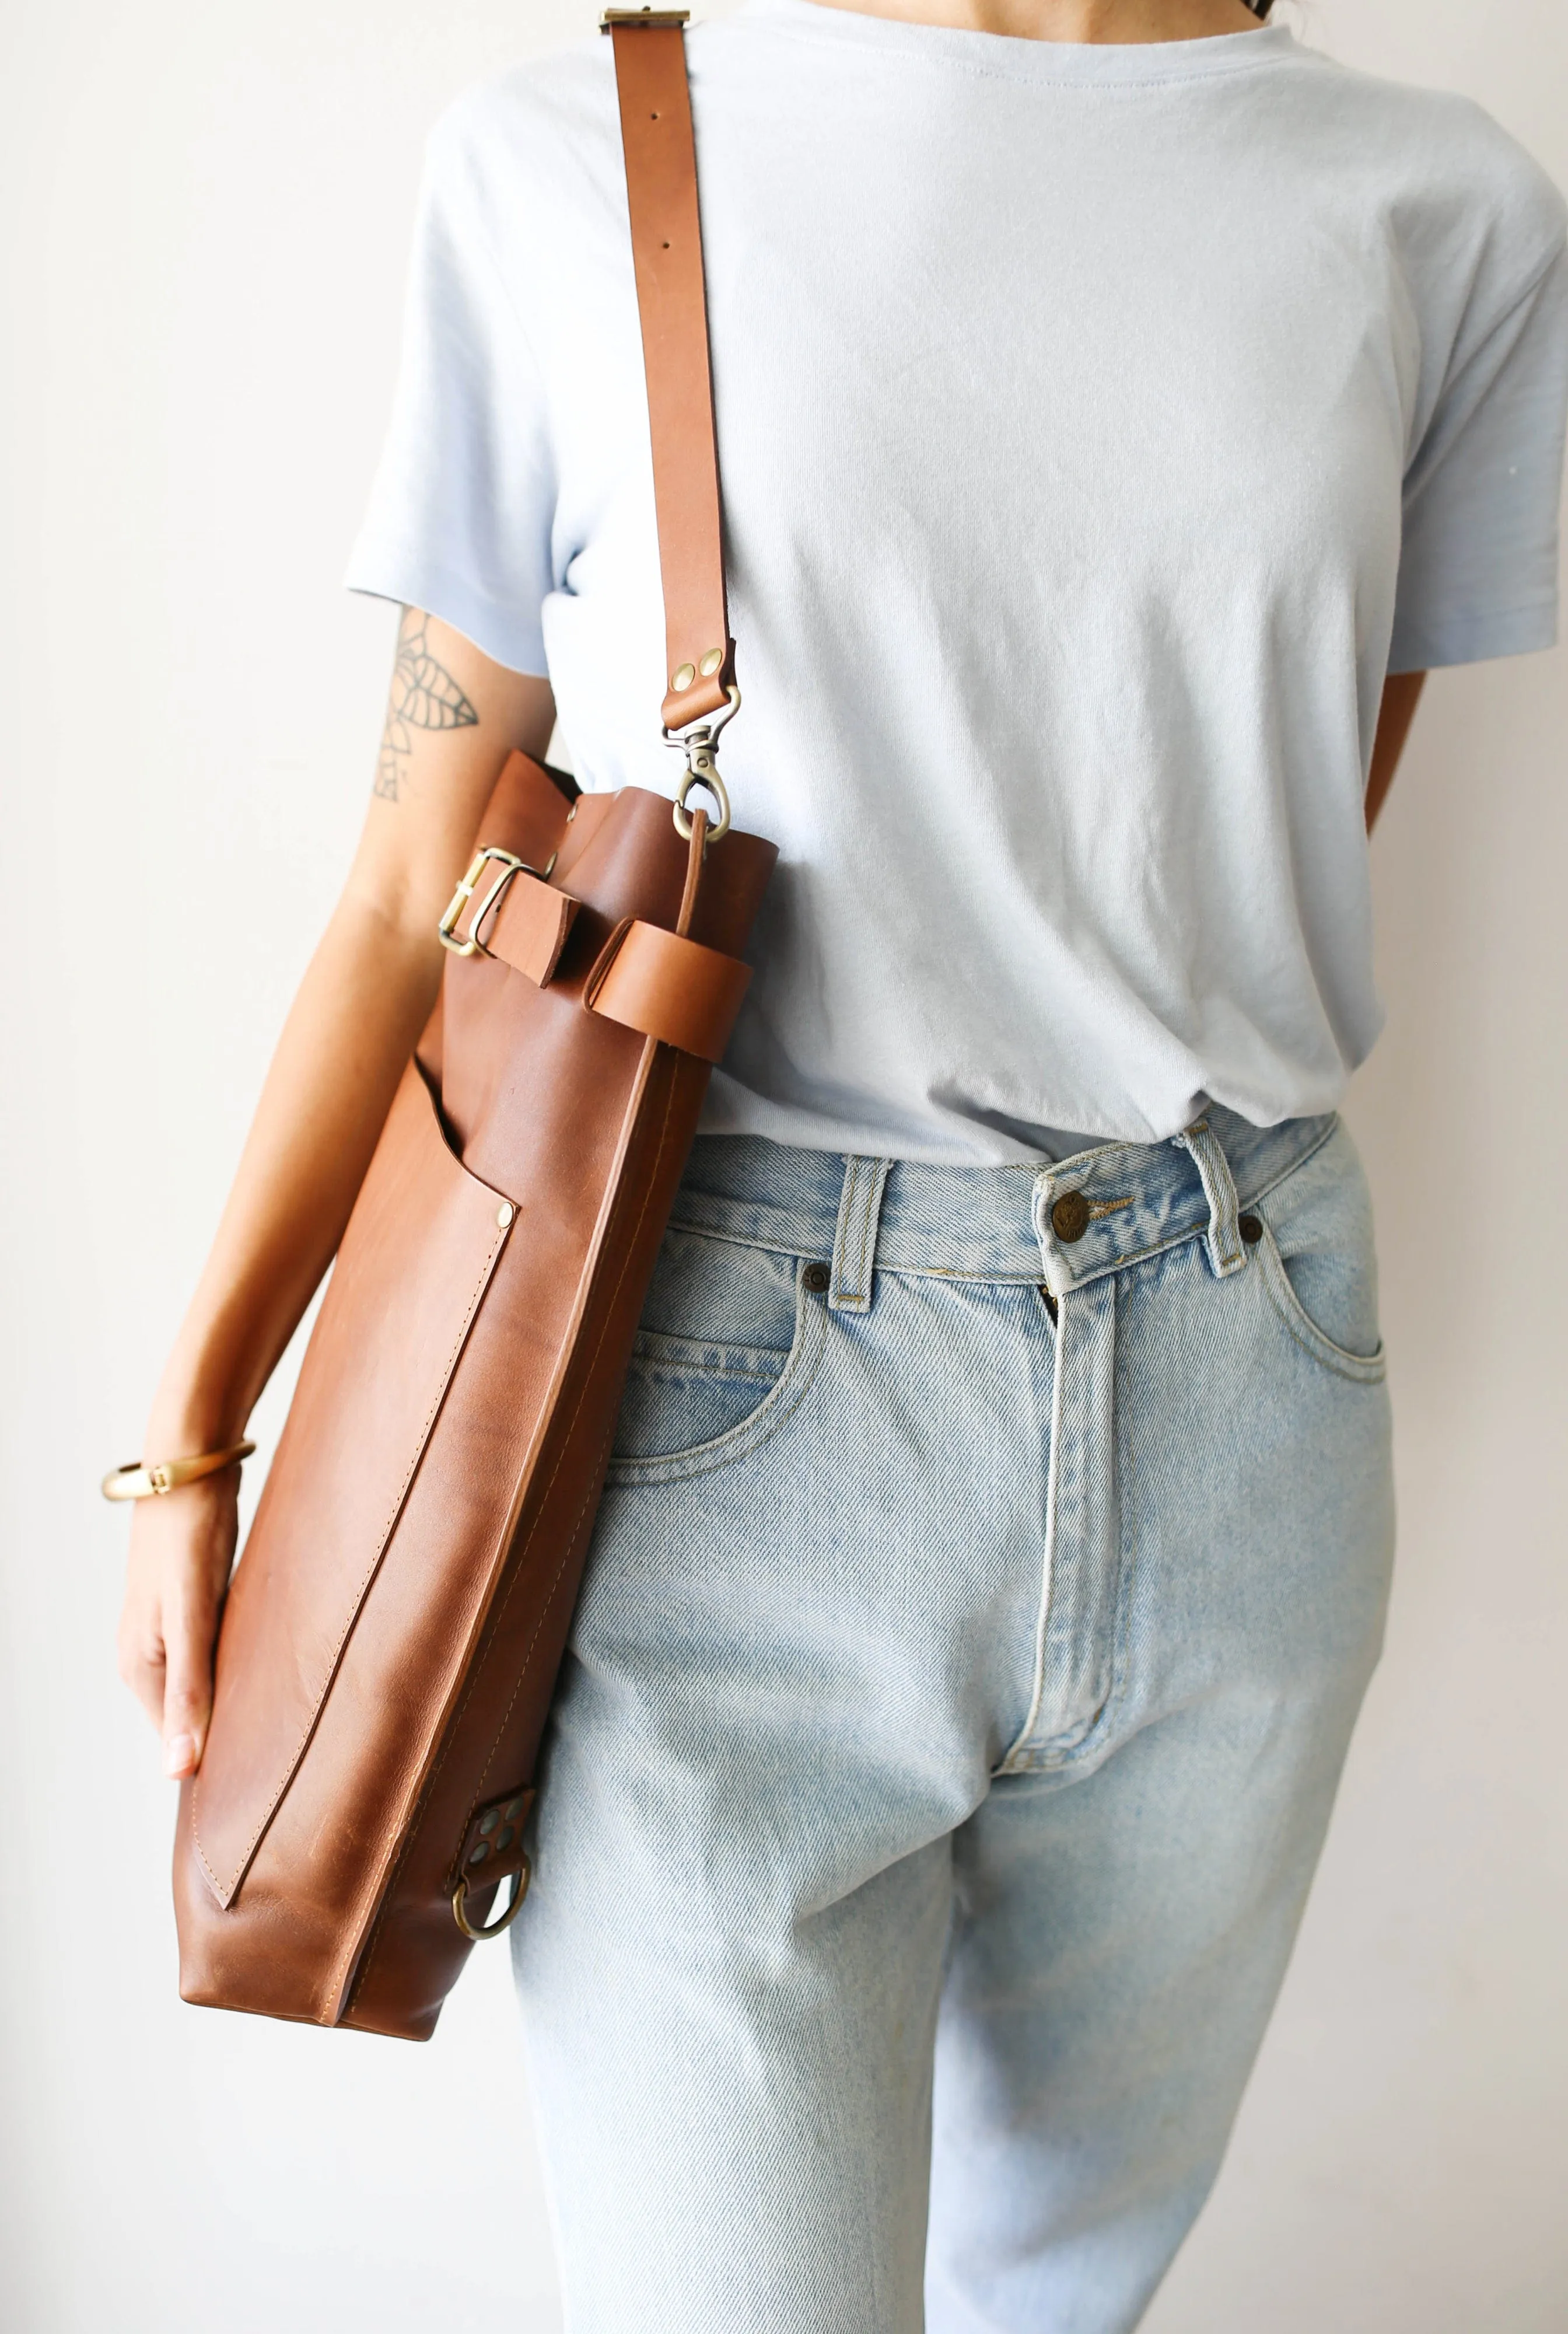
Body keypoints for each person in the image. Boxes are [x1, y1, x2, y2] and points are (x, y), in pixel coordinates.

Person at [115, 1, 1568, 2327]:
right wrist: (196, 1432)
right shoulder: (577, 151)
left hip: (1243, 1370)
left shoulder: (1450, 209)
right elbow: (419, 876)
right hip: (714, 1390)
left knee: (1056, 2301)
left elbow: (1282, 810)